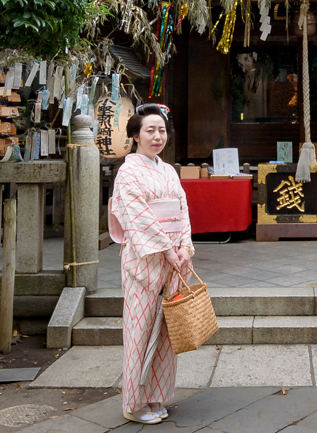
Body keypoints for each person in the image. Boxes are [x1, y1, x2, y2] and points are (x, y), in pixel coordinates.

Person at [109, 103, 194, 425]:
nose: (157, 136)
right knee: (140, 330)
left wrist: (184, 245)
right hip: (145, 260)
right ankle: (133, 402)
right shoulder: (128, 172)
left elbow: (182, 210)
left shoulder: (168, 170)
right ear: (135, 135)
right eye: (150, 130)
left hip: (174, 259)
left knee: (166, 333)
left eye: (161, 130)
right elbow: (136, 216)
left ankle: (156, 395)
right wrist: (168, 249)